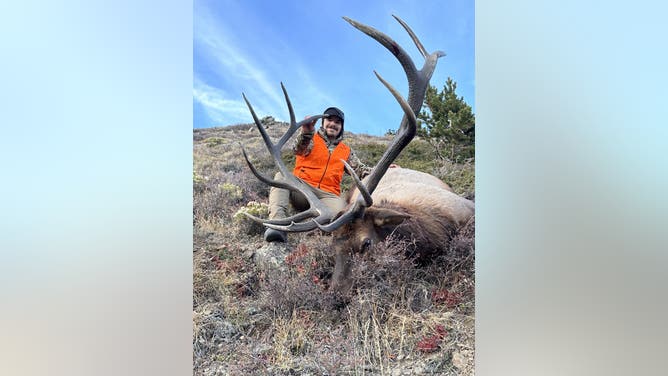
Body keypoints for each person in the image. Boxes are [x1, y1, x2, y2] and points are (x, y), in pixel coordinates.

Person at [264, 106, 371, 242]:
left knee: (342, 212)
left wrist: (386, 169)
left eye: (337, 122)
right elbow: (299, 149)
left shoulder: (346, 151)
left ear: (341, 127)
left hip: (328, 196)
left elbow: (360, 171)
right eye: (329, 120)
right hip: (302, 189)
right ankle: (277, 225)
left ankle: (321, 236)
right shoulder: (311, 139)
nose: (333, 124)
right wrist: (307, 132)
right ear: (323, 123)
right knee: (281, 176)